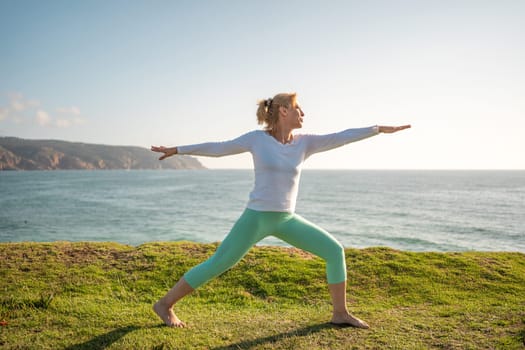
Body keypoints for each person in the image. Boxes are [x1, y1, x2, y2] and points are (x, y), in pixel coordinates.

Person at [151, 92, 410, 329]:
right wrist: (178, 150)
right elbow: (219, 148)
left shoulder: (304, 143)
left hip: (286, 219)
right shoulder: (257, 140)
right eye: (299, 108)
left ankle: (340, 313)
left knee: (334, 251)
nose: (304, 114)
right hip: (256, 218)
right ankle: (165, 305)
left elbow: (340, 137)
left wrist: (376, 129)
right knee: (220, 262)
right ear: (284, 111)